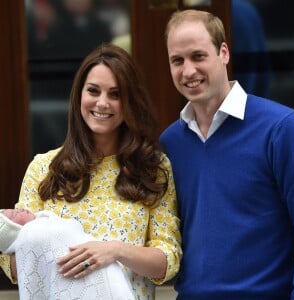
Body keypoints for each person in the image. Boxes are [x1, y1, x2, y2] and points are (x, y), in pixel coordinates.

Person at [0, 43, 182, 299]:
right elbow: (13, 265)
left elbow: (168, 260)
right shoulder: (43, 168)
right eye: (93, 91)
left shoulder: (153, 168)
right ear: (79, 95)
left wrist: (114, 251)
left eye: (115, 94)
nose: (102, 103)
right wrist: (53, 250)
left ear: (130, 101)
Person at [160, 9, 294, 300]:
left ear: (223, 52)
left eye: (198, 56)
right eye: (177, 60)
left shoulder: (282, 128)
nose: (188, 71)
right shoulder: (171, 143)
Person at [0, 208, 135, 299]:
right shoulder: (31, 233)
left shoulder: (52, 221)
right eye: (13, 215)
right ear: (13, 230)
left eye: (13, 209)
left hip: (114, 275)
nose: (19, 209)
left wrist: (117, 250)